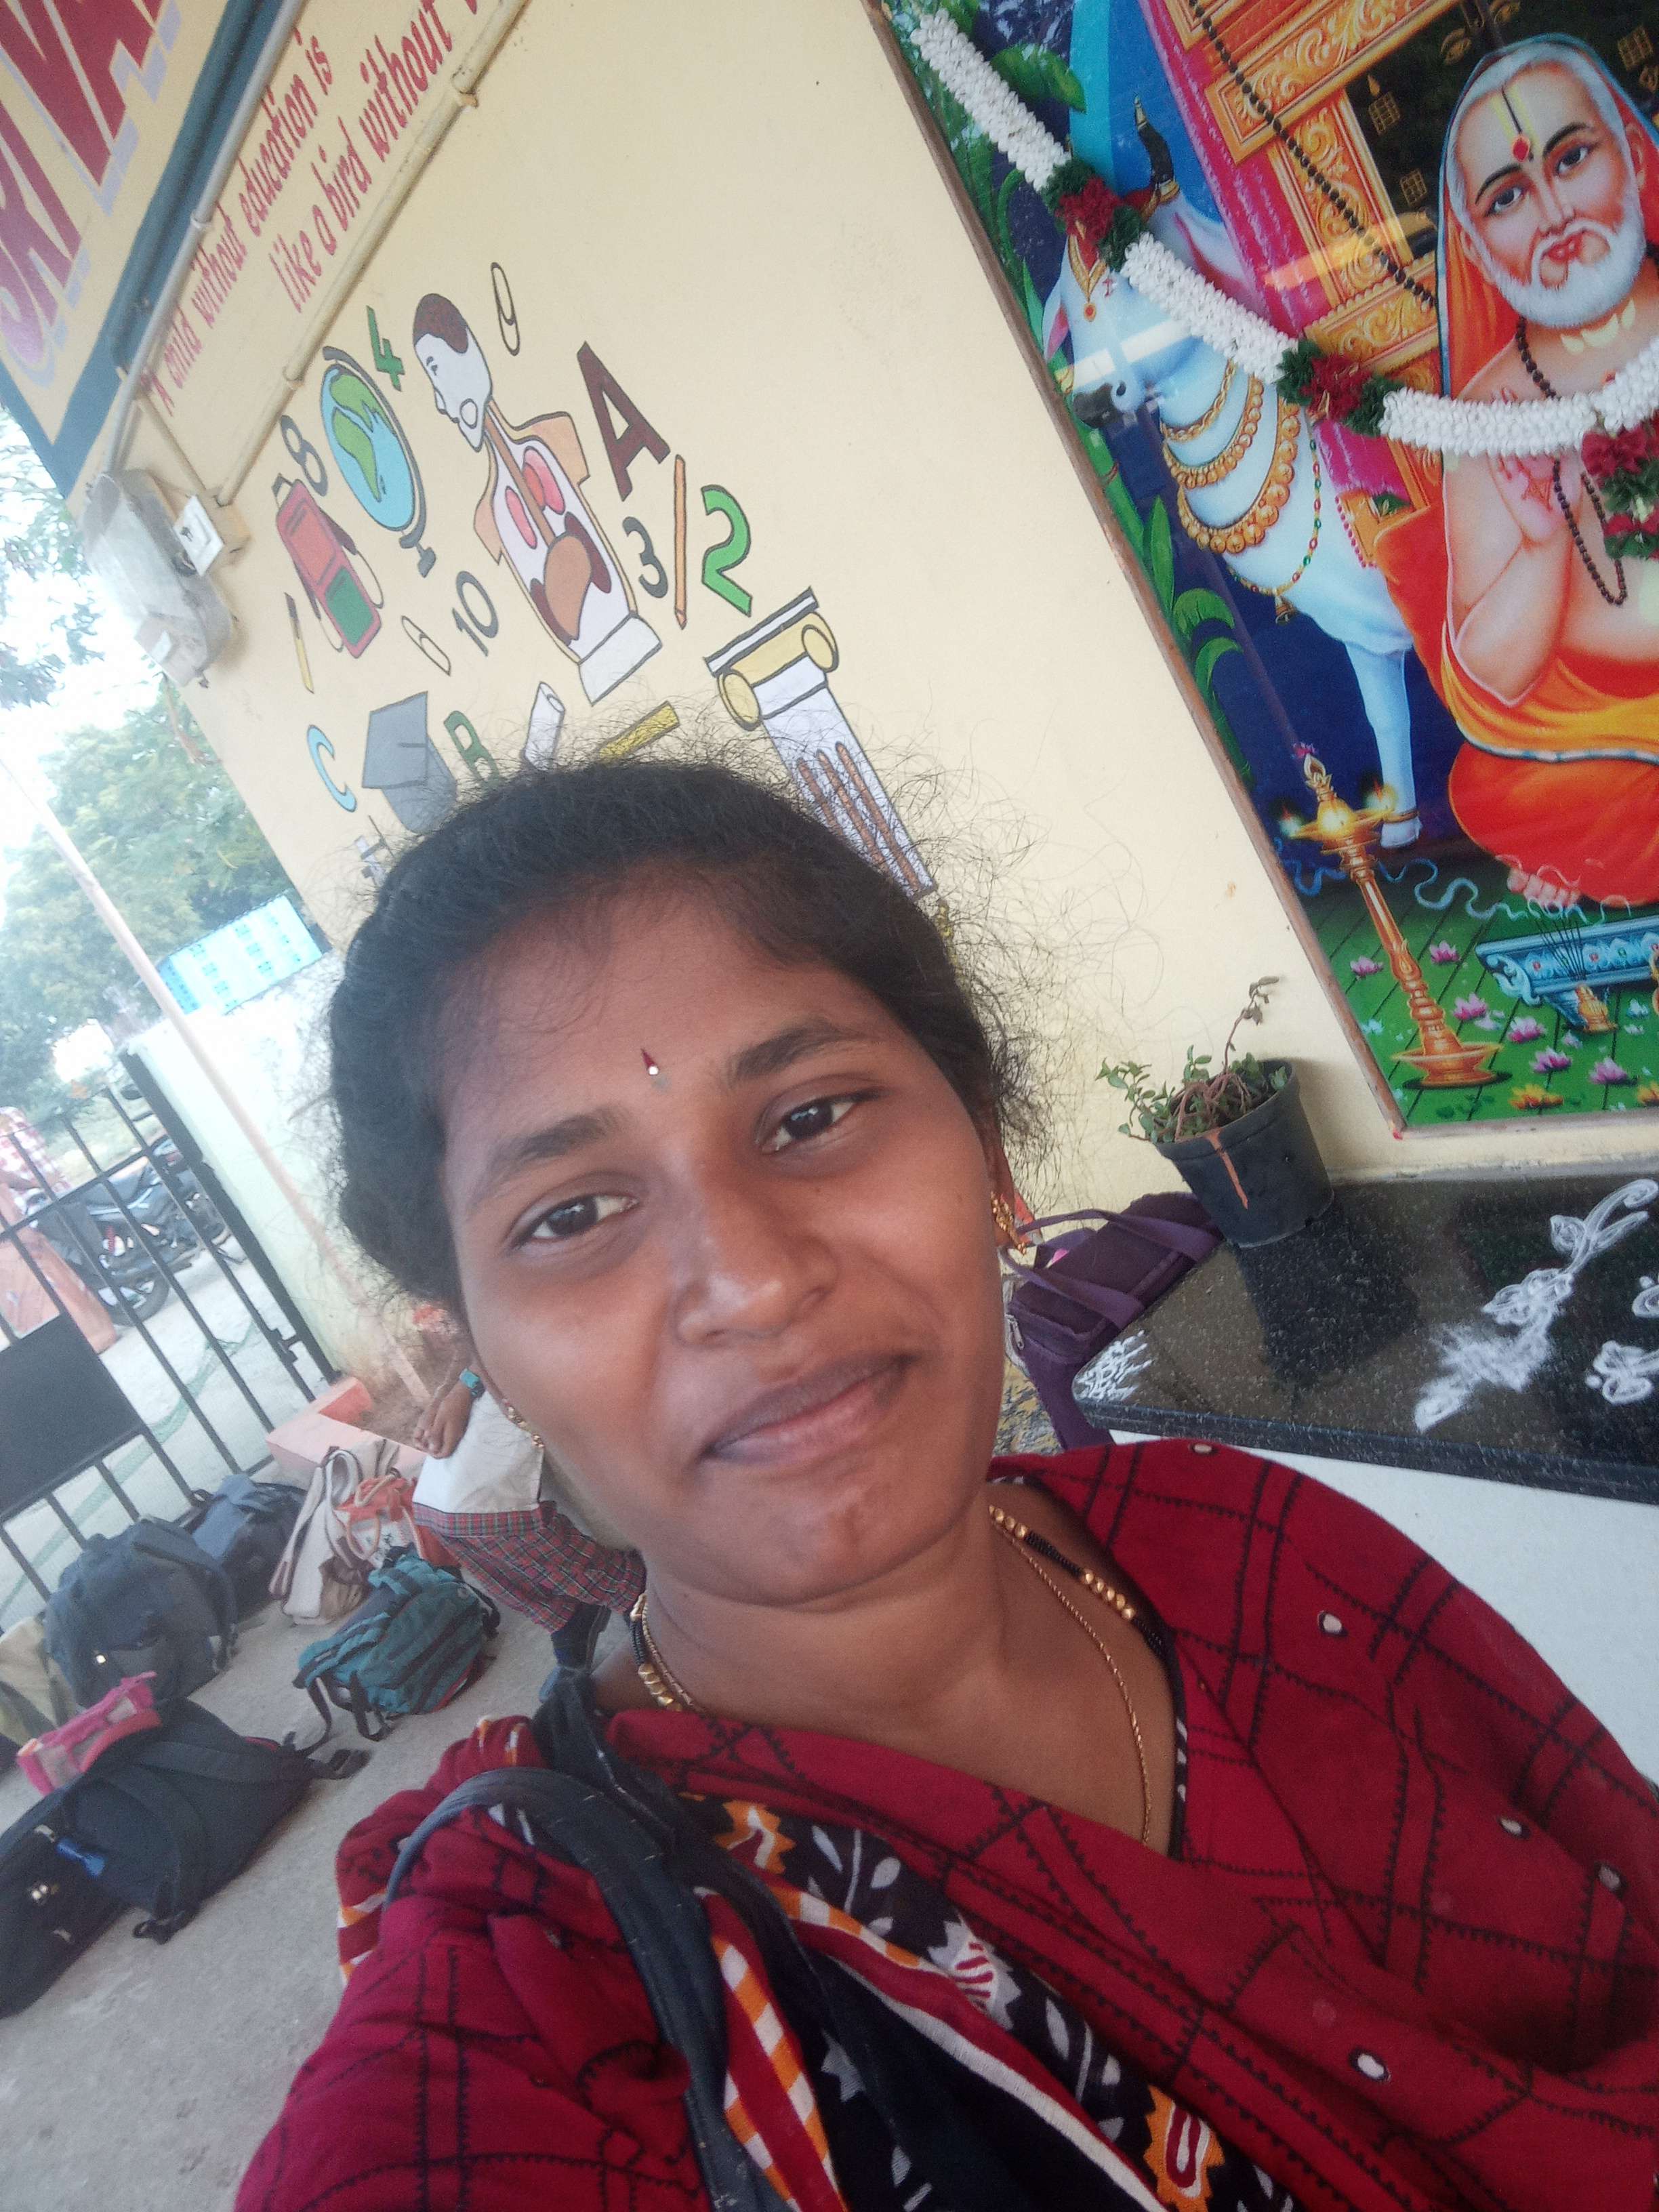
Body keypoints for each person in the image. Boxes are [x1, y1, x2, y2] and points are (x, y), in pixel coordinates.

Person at [241, 757, 1658, 2212]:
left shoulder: (1246, 1536)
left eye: (809, 1117)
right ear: (482, 1351)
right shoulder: (533, 2013)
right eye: (573, 1212)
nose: (754, 1281)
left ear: (982, 1140)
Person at [1378, 37, 1659, 907]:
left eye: (1571, 158)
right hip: (1612, 733)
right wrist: (1542, 547)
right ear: (1474, 244)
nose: (1554, 213)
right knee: (1502, 793)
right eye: (1507, 197)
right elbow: (1494, 679)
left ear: (1632, 153)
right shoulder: (1490, 417)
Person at [410, 1347, 642, 1664]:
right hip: (487, 1371)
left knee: (475, 1512)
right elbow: (464, 1331)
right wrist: (442, 1397)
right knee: (432, 1511)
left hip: (527, 1359)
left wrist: (465, 1387)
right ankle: (564, 1615)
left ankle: (631, 1589)